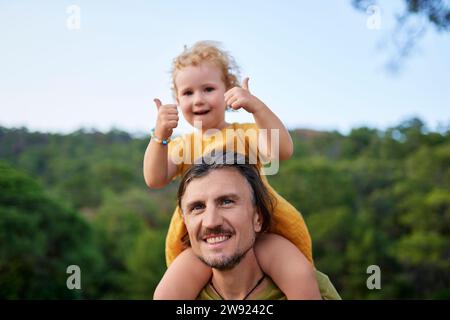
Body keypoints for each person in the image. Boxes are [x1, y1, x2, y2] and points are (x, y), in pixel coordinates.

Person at [144, 41, 317, 299]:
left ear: (228, 91)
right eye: (188, 93)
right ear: (177, 100)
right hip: (204, 240)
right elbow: (155, 178)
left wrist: (256, 107)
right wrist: (160, 136)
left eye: (208, 89)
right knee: (167, 292)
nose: (198, 99)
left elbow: (281, 151)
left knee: (298, 274)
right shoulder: (181, 145)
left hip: (258, 231)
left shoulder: (243, 134)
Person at [176, 152, 341, 300]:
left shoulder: (313, 289)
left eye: (227, 202)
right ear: (185, 221)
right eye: (197, 207)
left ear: (258, 218)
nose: (211, 222)